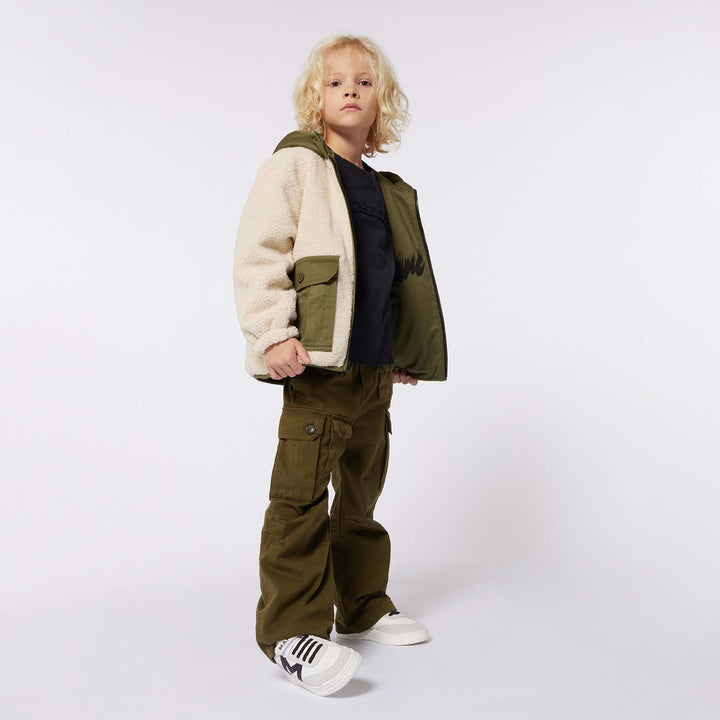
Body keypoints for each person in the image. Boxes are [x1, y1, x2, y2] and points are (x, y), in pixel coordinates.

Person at [232, 34, 448, 696]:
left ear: (382, 102)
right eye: (334, 82)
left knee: (360, 496)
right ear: (315, 98)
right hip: (318, 370)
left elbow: (390, 280)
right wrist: (273, 333)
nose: (349, 89)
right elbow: (261, 252)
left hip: (371, 374)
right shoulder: (298, 165)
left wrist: (398, 352)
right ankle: (290, 632)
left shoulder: (384, 189)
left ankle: (360, 605)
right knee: (301, 499)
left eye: (363, 81)